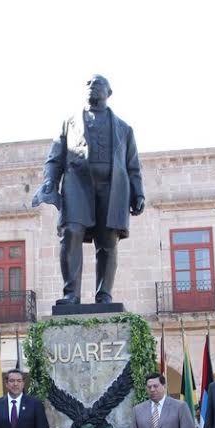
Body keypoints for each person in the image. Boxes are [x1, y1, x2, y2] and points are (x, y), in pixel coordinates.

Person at [32, 74, 145, 305]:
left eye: (98, 83)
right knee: (71, 232)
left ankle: (104, 295)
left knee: (108, 241)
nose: (92, 87)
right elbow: (55, 159)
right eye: (89, 84)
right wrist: (49, 181)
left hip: (113, 188)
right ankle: (71, 294)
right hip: (77, 184)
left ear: (108, 92)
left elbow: (133, 165)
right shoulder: (69, 123)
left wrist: (138, 193)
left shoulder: (124, 129)